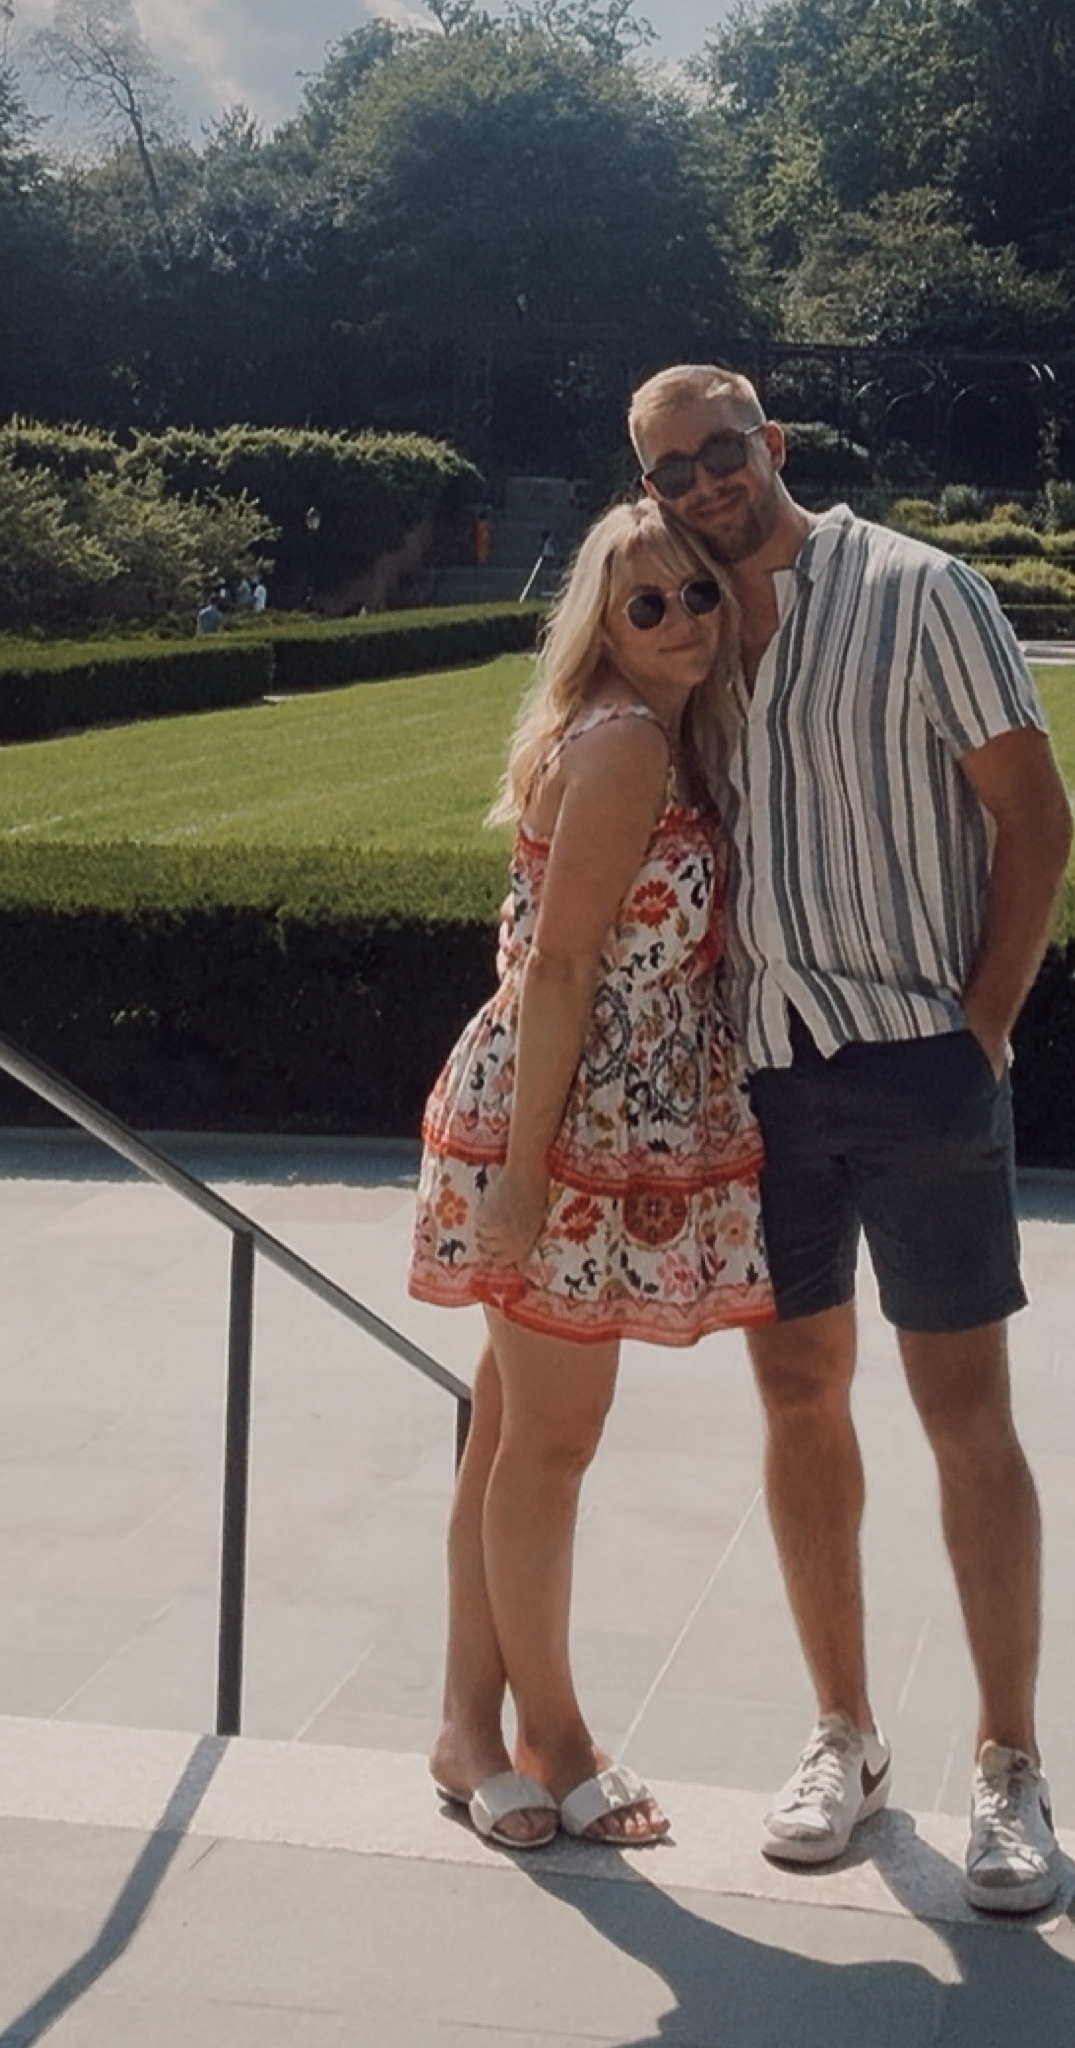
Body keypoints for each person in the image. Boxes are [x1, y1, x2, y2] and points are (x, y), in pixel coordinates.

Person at [629, 365, 1075, 1913]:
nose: (700, 484)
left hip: (913, 1060)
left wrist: (982, 1029)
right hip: (764, 1076)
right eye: (669, 468)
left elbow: (1035, 815)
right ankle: (844, 1734)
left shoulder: (918, 590)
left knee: (965, 1414)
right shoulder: (679, 628)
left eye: (720, 452)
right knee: (798, 1400)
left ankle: (1008, 1763)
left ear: (775, 447)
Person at [408, 497, 774, 1849]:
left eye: (697, 595)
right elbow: (560, 967)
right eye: (646, 605)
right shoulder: (624, 745)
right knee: (549, 1446)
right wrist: (519, 1178)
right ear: (603, 629)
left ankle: (462, 1727)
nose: (681, 620)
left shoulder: (661, 736)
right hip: (559, 1135)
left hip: (575, 1122)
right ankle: (552, 1736)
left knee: (509, 1434)